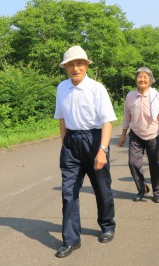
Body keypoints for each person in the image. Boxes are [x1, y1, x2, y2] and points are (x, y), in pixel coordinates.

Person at [53, 45, 117, 258]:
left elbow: (107, 121)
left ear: (87, 65)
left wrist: (102, 151)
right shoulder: (62, 88)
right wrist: (65, 144)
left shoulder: (97, 88)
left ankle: (107, 225)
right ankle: (71, 240)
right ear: (65, 68)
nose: (75, 68)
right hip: (72, 142)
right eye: (70, 64)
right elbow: (62, 118)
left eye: (79, 63)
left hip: (94, 139)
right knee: (68, 191)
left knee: (101, 187)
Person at [119, 67, 159, 203]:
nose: (142, 79)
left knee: (155, 165)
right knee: (133, 163)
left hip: (154, 135)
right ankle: (141, 188)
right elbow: (126, 116)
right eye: (139, 77)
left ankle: (157, 192)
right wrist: (123, 135)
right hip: (135, 135)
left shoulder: (156, 96)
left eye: (145, 77)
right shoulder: (130, 96)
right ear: (135, 79)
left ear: (150, 80)